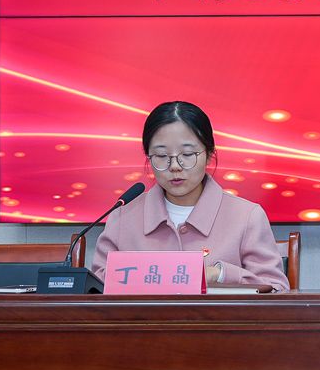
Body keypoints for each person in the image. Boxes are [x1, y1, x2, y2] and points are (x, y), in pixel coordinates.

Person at [91, 101, 288, 291]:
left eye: (187, 154)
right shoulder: (123, 217)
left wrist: (220, 274)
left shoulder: (246, 217)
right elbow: (94, 289)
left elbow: (276, 290)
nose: (175, 166)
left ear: (209, 154)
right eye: (161, 156)